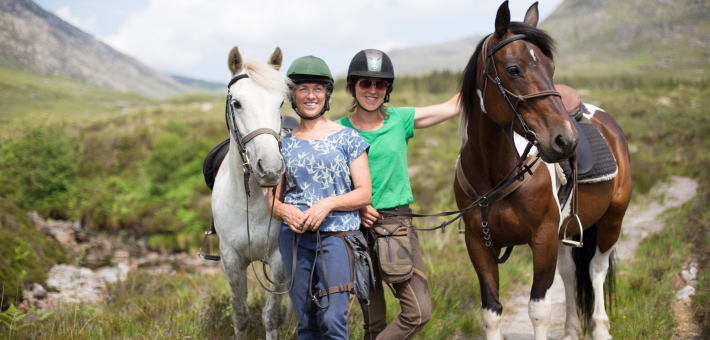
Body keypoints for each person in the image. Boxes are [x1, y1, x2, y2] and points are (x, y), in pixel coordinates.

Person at [335, 49, 460, 340]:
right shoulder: (337, 130)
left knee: (418, 312)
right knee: (373, 323)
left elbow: (452, 106)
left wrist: (487, 63)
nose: (373, 90)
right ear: (353, 86)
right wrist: (356, 207)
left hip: (397, 227)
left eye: (380, 84)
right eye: (365, 83)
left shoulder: (399, 120)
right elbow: (328, 183)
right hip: (355, 230)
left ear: (387, 89)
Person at [268, 55, 372, 340]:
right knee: (306, 323)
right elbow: (272, 201)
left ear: (327, 94)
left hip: (337, 238)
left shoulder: (348, 137)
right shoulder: (283, 144)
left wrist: (328, 203)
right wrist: (285, 211)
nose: (310, 95)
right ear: (292, 95)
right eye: (302, 88)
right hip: (295, 239)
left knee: (332, 319)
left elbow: (364, 193)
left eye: (317, 88)